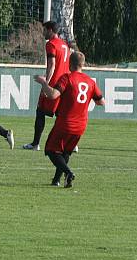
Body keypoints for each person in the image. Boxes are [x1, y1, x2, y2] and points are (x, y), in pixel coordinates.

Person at [34, 51, 104, 187]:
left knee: (50, 150)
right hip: (81, 125)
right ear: (82, 65)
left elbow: (53, 95)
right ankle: (56, 180)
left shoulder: (67, 78)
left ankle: (69, 173)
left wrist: (43, 83)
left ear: (69, 64)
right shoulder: (90, 82)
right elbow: (101, 102)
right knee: (65, 152)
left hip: (65, 123)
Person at [23, 20, 70, 150]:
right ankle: (71, 143)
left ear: (50, 30)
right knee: (62, 114)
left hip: (54, 84)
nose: (43, 32)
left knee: (40, 112)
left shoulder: (51, 44)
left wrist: (46, 83)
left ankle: (35, 144)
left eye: (44, 30)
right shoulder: (64, 45)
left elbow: (52, 65)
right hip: (65, 84)